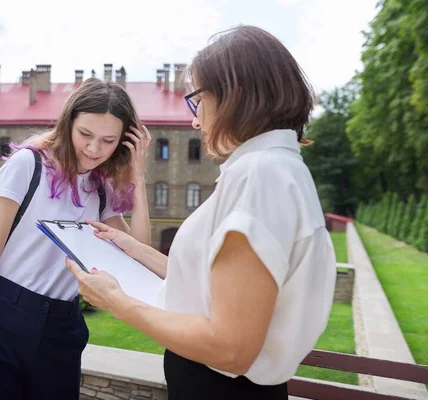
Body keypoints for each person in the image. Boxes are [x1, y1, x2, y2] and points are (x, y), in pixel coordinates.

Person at [66, 25, 337, 399]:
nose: (195, 121)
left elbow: (230, 349)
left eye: (197, 102)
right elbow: (210, 285)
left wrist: (116, 301)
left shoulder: (260, 178)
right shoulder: (271, 170)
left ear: (233, 95)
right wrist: (133, 248)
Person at [0, 78, 152, 400]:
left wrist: (138, 177)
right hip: (0, 324)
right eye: (85, 134)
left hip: (61, 330)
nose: (94, 149)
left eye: (108, 140)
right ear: (68, 122)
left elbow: (140, 256)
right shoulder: (28, 165)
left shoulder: (100, 189)